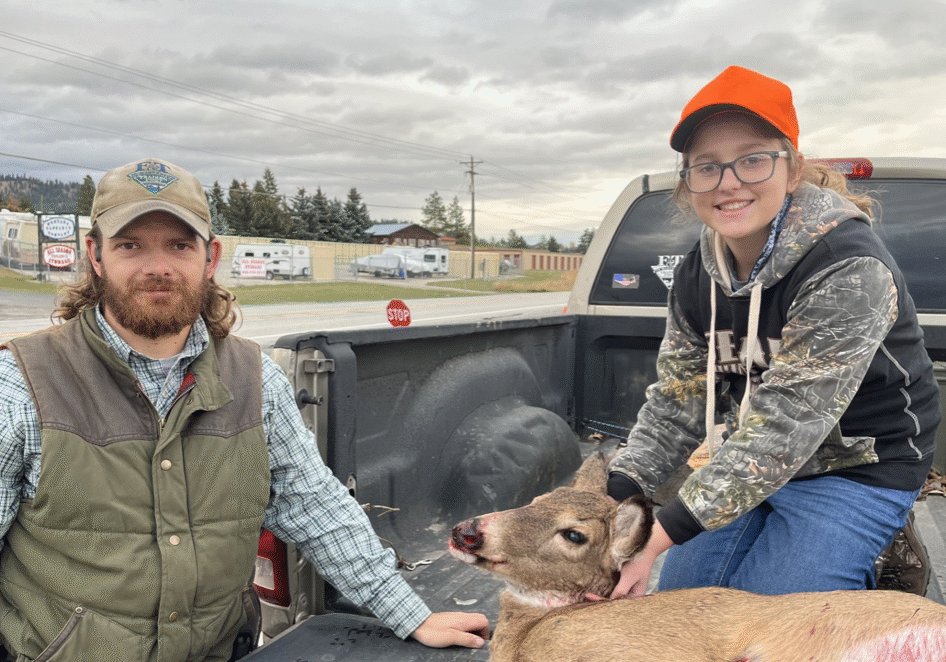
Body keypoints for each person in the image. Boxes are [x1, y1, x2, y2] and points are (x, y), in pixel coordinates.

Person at [0, 158, 489, 660]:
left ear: (209, 257)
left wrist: (411, 614)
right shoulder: (22, 382)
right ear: (95, 255)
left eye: (179, 245)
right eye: (130, 245)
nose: (158, 267)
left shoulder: (255, 379)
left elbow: (316, 506)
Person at [606, 66, 942, 599]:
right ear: (688, 183)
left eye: (753, 159)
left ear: (792, 170)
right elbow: (678, 401)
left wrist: (652, 540)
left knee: (780, 620)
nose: (729, 182)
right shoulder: (697, 274)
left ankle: (876, 551)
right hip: (744, 454)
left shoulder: (846, 266)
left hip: (858, 465)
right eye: (707, 167)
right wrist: (615, 499)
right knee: (683, 608)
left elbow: (786, 425)